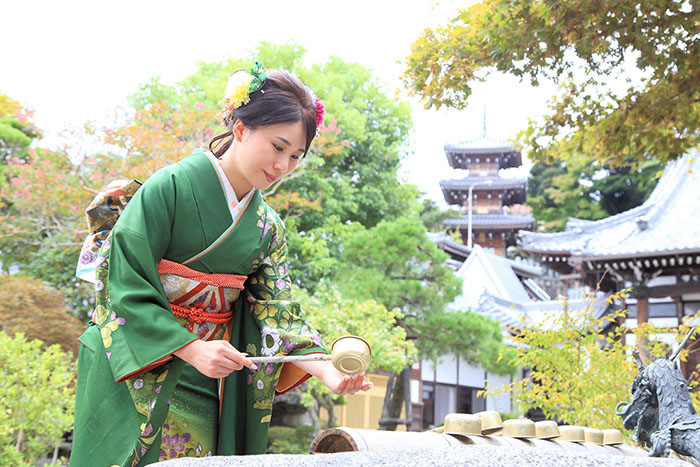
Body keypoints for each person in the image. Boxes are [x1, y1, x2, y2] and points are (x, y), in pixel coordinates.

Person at [69, 62, 372, 466]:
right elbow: (124, 282)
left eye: (296, 155)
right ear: (241, 129)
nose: (283, 166)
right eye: (278, 147)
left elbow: (275, 310)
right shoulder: (170, 188)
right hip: (133, 361)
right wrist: (191, 347)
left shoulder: (267, 227)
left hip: (208, 376)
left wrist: (326, 371)